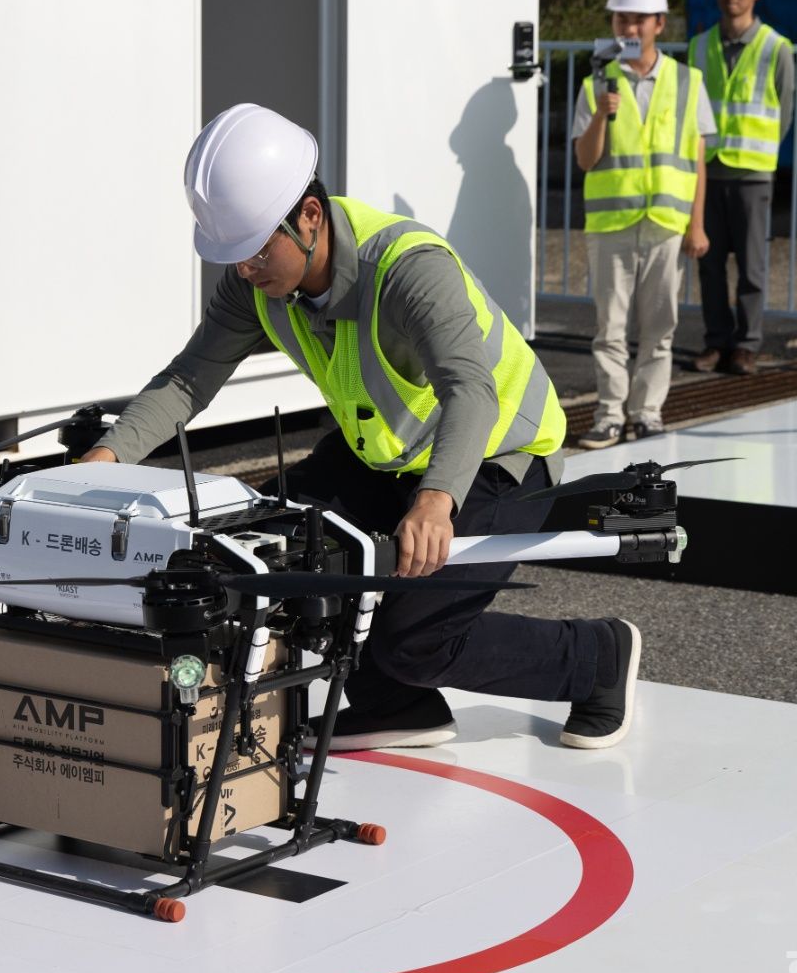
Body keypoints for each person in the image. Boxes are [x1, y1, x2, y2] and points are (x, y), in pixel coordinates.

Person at [80, 103, 642, 751]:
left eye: (256, 250)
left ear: (310, 217)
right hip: (387, 453)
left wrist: (436, 500)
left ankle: (597, 658)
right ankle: (396, 703)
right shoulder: (254, 283)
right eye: (233, 257)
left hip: (500, 454)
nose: (244, 271)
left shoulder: (408, 268)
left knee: (415, 638)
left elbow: (471, 391)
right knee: (262, 546)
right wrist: (105, 457)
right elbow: (189, 380)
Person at [571, 0, 716, 448]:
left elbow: (696, 159)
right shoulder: (596, 82)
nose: (629, 29)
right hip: (611, 224)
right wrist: (600, 114)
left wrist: (697, 225)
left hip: (667, 225)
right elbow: (585, 159)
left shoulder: (688, 81)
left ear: (659, 23)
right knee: (608, 329)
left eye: (638, 20)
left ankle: (648, 413)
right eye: (621, 19)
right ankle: (610, 415)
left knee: (660, 329)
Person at [687, 0, 796, 376]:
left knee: (752, 269)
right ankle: (717, 342)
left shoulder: (776, 48)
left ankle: (746, 345)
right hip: (707, 173)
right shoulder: (698, 47)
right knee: (710, 267)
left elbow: (783, 113)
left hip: (752, 174)